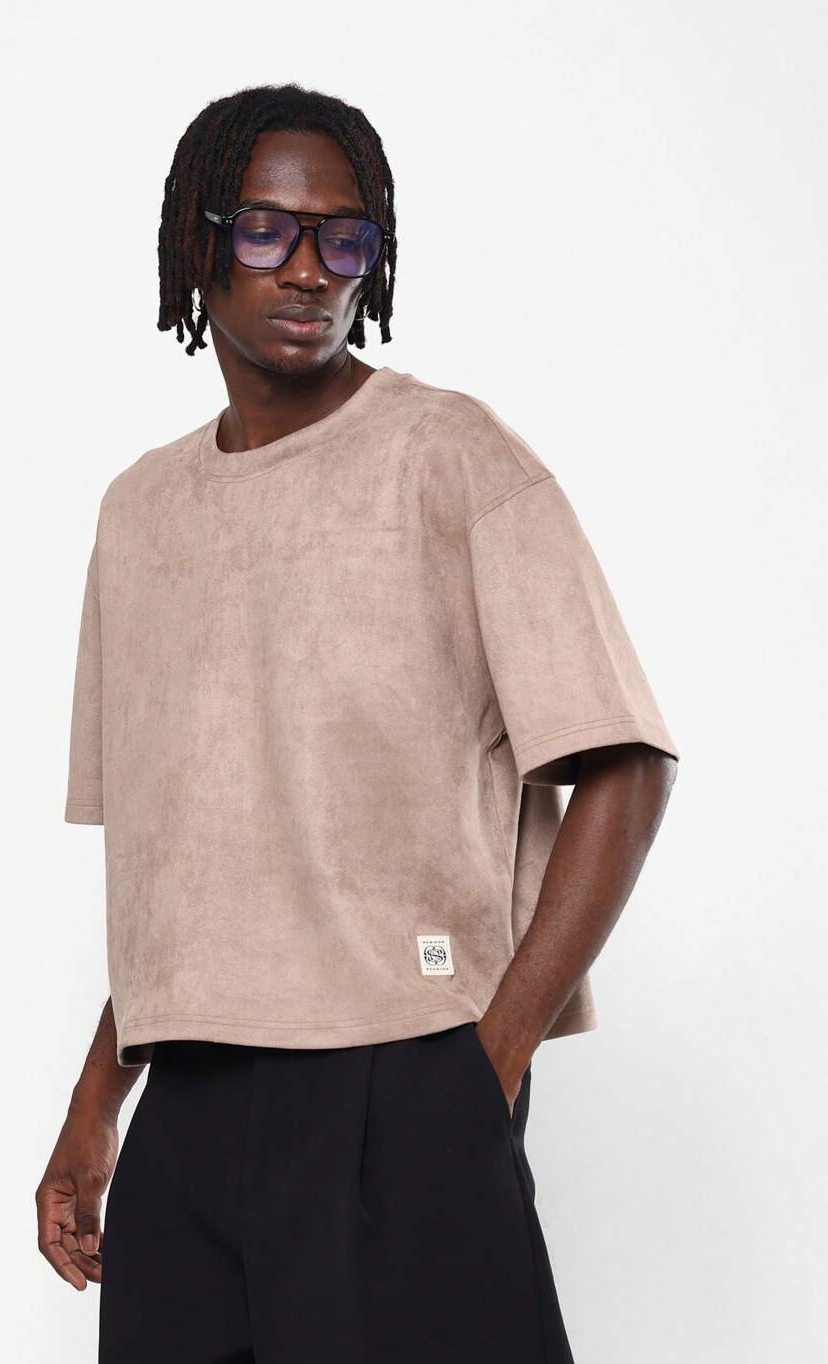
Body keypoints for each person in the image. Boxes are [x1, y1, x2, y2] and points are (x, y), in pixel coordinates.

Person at [35, 82, 679, 1364]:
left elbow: (625, 762)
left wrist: (486, 1064)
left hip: (404, 1075)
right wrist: (95, 1106)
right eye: (266, 228)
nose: (309, 268)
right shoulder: (140, 511)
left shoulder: (451, 457)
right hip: (188, 1102)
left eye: (344, 236)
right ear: (196, 243)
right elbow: (188, 864)